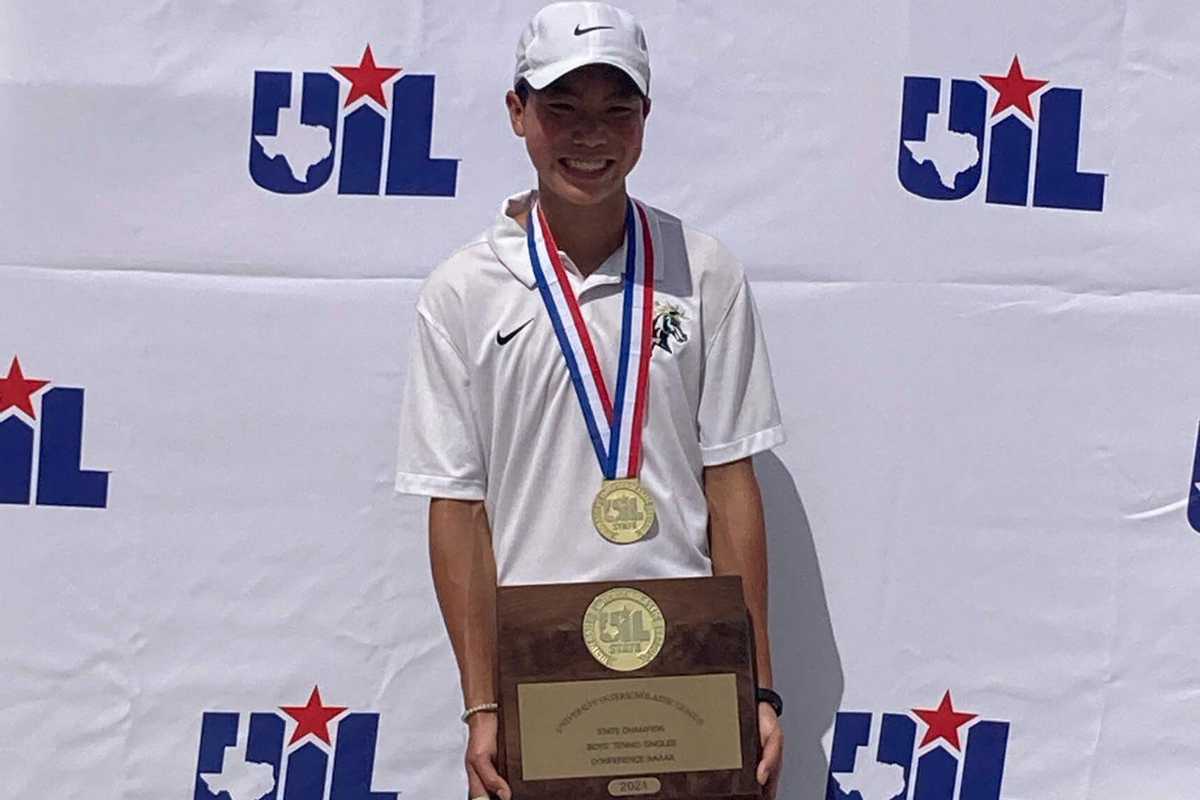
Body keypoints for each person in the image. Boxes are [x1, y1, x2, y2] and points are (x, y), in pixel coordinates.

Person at [394, 3, 786, 798]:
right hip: (537, 679)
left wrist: (759, 689)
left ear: (646, 119)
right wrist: (481, 705)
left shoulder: (703, 270)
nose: (590, 135)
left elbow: (729, 482)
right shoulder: (463, 290)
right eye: (563, 107)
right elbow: (458, 509)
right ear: (518, 112)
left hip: (692, 673)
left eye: (616, 110)